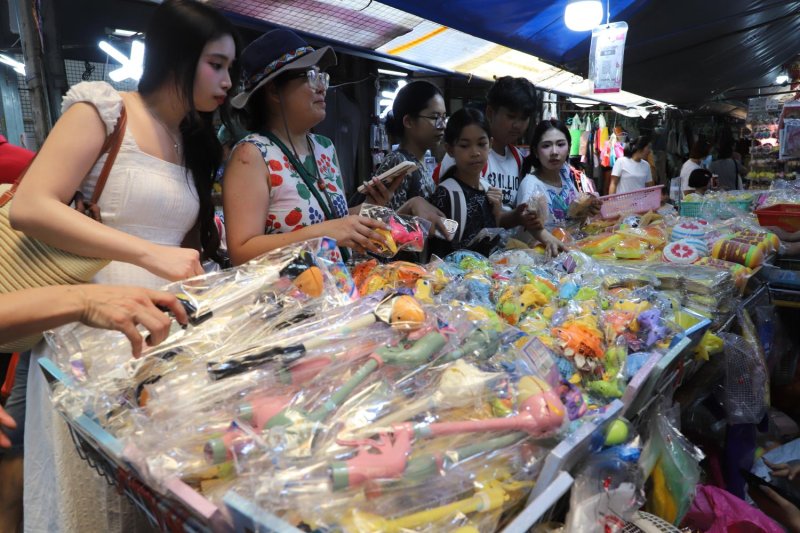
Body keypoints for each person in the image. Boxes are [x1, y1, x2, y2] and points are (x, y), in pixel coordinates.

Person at [8, 1, 239, 531]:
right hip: (87, 322)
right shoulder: (104, 109)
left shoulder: (192, 140)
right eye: (217, 64)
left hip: (163, 331)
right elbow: (32, 206)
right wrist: (145, 251)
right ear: (176, 56)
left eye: (230, 68)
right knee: (87, 480)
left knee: (150, 483)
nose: (228, 80)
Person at [223, 28, 413, 264]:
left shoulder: (324, 147)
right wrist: (326, 233)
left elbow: (327, 220)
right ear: (273, 90)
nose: (322, 87)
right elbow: (241, 252)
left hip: (336, 292)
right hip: (285, 297)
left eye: (323, 77)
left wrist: (369, 207)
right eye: (311, 76)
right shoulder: (251, 154)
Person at [429, 108, 562, 257]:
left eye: (481, 144)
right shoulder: (446, 195)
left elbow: (492, 232)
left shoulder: (488, 190)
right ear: (450, 149)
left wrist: (509, 215)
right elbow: (438, 253)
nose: (475, 152)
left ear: (490, 144)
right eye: (465, 145)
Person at [436, 76, 537, 208]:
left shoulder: (518, 159)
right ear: (490, 112)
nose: (517, 125)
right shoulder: (466, 155)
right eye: (511, 116)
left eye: (523, 118)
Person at [372, 81, 444, 212]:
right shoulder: (398, 162)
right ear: (409, 121)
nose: (442, 125)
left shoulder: (420, 161)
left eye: (443, 117)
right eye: (435, 117)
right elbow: (386, 222)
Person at [516, 119, 601, 227]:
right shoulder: (531, 186)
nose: (554, 152)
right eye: (546, 146)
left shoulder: (564, 173)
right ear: (536, 151)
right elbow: (529, 232)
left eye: (560, 144)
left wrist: (585, 212)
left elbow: (571, 222)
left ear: (569, 148)